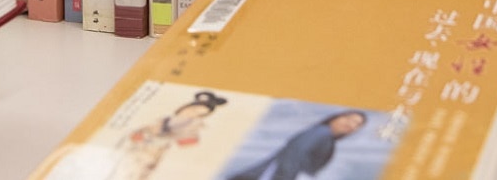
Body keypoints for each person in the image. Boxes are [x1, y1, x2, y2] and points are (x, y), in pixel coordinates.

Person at [115, 90, 228, 180]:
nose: (192, 113)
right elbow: (138, 133)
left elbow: (188, 143)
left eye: (199, 113)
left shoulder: (193, 126)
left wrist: (167, 140)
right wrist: (142, 136)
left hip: (152, 157)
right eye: (193, 109)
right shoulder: (165, 119)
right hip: (136, 152)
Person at [227, 110, 367, 180]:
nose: (351, 124)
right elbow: (293, 154)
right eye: (349, 119)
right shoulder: (321, 132)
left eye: (357, 124)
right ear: (336, 117)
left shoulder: (327, 138)